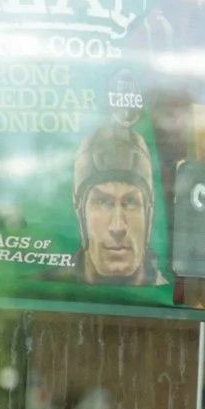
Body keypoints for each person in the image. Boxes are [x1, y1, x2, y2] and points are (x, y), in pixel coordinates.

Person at [72, 116, 161, 285]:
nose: (117, 227)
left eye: (131, 202)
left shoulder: (171, 298)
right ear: (81, 213)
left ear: (148, 214)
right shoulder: (40, 292)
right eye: (102, 202)